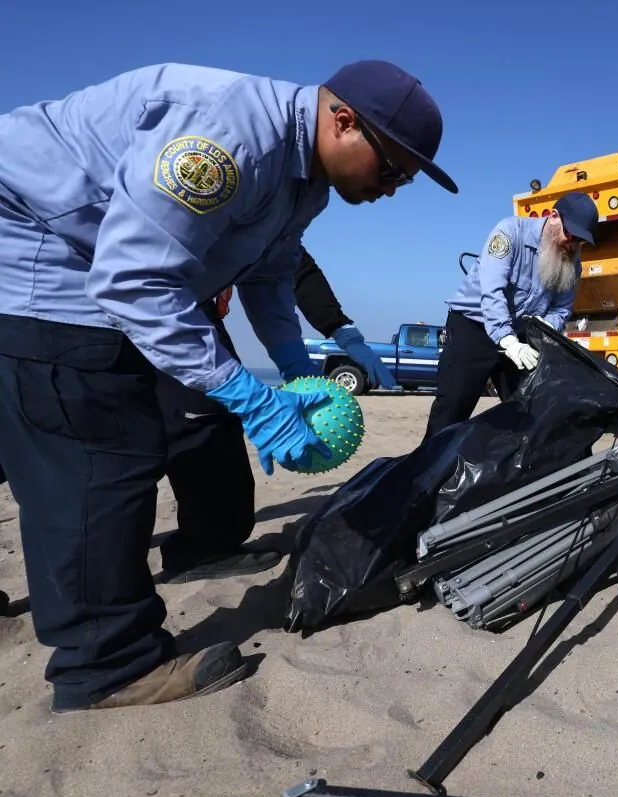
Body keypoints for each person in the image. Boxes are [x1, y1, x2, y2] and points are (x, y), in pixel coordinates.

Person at [0, 59, 456, 712]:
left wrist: (296, 373)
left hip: (81, 251)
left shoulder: (304, 181)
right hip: (32, 242)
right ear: (344, 120)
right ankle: (105, 667)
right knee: (101, 442)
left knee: (32, 430)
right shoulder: (227, 141)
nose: (392, 188)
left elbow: (267, 278)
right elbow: (133, 279)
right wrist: (245, 395)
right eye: (391, 169)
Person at [155, 245, 396, 585]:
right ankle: (200, 550)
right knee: (196, 421)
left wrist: (306, 355)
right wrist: (250, 399)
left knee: (166, 425)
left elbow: (277, 275)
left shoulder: (286, 207)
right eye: (393, 184)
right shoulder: (251, 197)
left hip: (178, 300)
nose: (387, 190)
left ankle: (197, 544)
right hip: (149, 301)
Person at [422, 192, 599, 441]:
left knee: (530, 407)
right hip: (474, 327)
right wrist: (507, 341)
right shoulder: (509, 233)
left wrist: (545, 327)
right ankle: (425, 474)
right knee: (453, 408)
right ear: (554, 217)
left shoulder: (572, 261)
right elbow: (492, 292)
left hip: (520, 335)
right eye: (570, 235)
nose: (572, 245)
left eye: (580, 241)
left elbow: (562, 308)